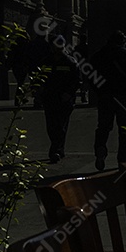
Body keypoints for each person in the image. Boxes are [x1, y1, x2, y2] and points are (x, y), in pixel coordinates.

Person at [90, 31, 126, 170]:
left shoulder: (98, 55)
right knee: (125, 129)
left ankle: (100, 150)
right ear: (123, 42)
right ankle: (123, 160)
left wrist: (98, 91)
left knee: (103, 127)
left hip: (105, 96)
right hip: (123, 97)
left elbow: (90, 75)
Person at [42, 31, 80, 163]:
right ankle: (60, 149)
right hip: (50, 98)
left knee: (61, 125)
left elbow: (76, 81)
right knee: (51, 126)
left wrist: (69, 94)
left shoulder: (70, 62)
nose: (58, 49)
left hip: (64, 100)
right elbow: (41, 79)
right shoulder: (46, 61)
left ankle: (55, 151)